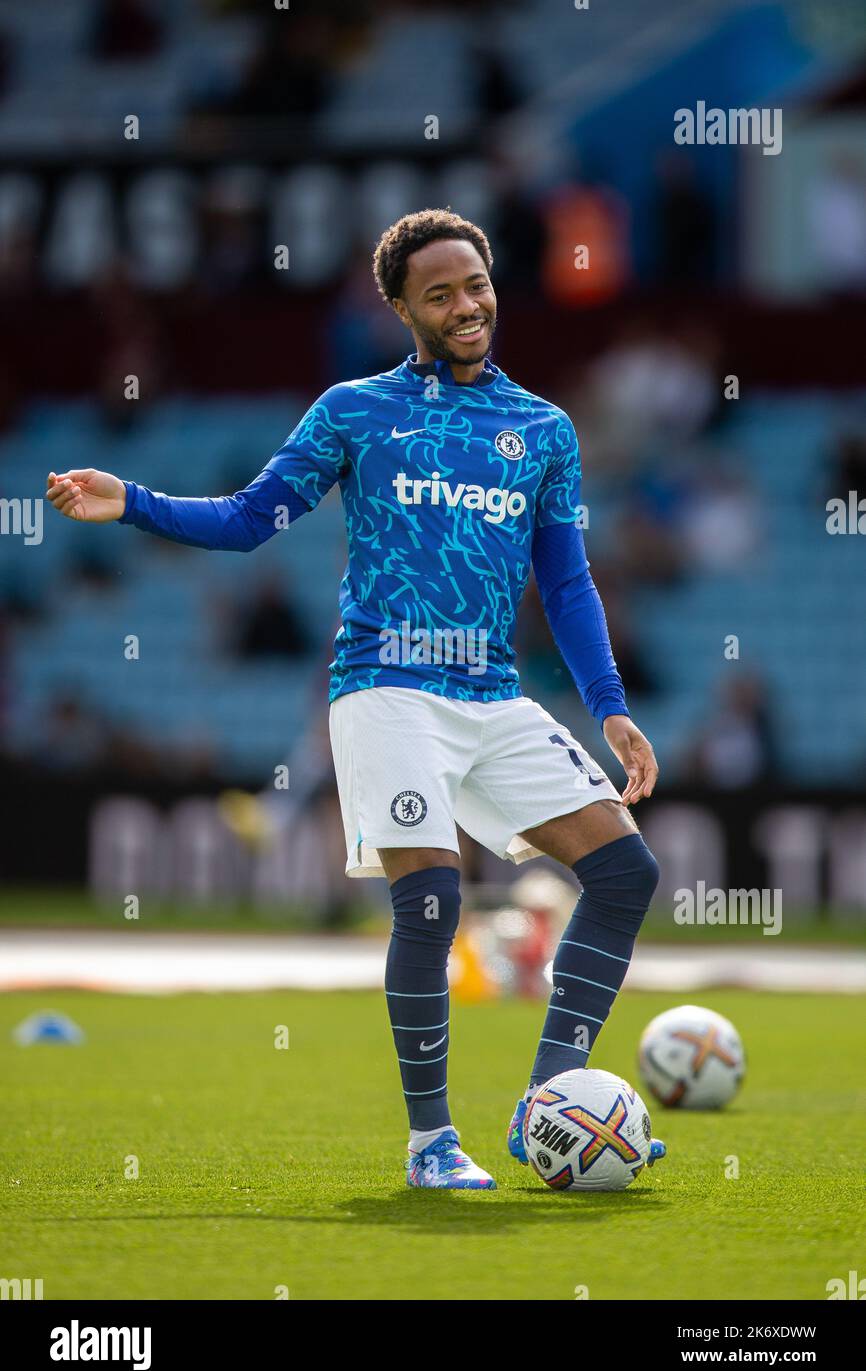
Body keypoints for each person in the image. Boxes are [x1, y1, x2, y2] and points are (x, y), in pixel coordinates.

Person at [46, 209, 664, 1191]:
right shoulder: (352, 410)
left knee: (625, 874)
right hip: (385, 687)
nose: (466, 305)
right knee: (430, 901)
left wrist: (610, 705)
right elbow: (252, 520)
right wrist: (134, 500)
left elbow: (569, 579)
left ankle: (550, 1100)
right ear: (399, 309)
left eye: (475, 284)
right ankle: (430, 1144)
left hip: (492, 693)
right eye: (439, 294)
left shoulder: (540, 428)